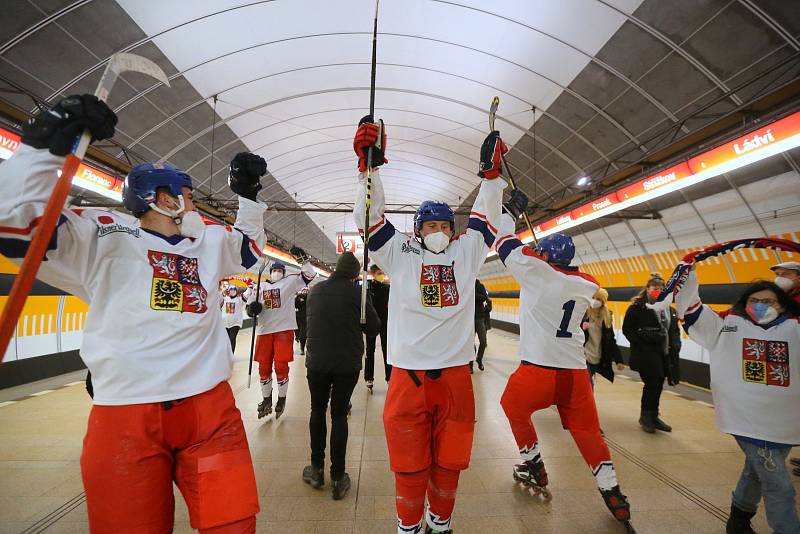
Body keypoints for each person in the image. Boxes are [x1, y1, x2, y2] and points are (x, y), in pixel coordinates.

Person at [0, 95, 268, 532]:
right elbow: (13, 223)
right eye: (187, 193)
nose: (193, 202)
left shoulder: (208, 241)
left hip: (209, 412)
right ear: (161, 197)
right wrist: (44, 145)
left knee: (233, 523)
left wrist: (249, 197)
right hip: (126, 416)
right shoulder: (101, 233)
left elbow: (249, 248)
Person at [353, 116, 506, 534]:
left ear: (452, 231)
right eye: (430, 226)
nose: (438, 232)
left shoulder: (467, 252)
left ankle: (441, 522)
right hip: (409, 378)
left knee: (450, 459)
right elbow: (369, 221)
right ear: (417, 230)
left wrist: (491, 179)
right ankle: (408, 525)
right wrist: (370, 169)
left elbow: (484, 216)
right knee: (408, 462)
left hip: (456, 377)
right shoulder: (401, 254)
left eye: (444, 226)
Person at [495, 195, 634, 529]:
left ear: (546, 258)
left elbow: (502, 241)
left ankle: (534, 465)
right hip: (574, 374)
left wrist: (509, 212)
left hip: (536, 371)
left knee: (512, 408)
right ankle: (612, 492)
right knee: (588, 432)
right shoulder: (587, 284)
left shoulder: (538, 273)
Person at [675, 271, 800, 534]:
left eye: (770, 301)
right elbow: (693, 310)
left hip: (785, 422)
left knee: (756, 471)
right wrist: (687, 274)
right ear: (744, 303)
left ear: (783, 304)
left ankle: (738, 519)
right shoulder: (728, 324)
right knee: (779, 485)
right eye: (755, 299)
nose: (761, 305)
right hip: (747, 420)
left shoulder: (795, 326)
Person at [302, 252, 380, 499]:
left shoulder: (315, 291)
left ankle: (316, 469)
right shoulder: (358, 293)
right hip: (346, 365)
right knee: (338, 415)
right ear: (355, 274)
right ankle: (337, 477)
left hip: (316, 363)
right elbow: (374, 327)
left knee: (317, 410)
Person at [246, 256, 316, 419]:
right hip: (264, 331)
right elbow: (250, 304)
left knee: (280, 365)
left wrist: (303, 260)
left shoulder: (289, 283)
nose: (276, 273)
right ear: (270, 273)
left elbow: (309, 274)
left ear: (283, 273)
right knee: (263, 367)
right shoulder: (260, 286)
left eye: (279, 271)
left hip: (283, 330)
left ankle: (282, 399)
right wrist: (252, 309)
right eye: (274, 271)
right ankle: (266, 399)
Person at [622, 273, 681, 433]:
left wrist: (676, 343)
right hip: (646, 354)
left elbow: (674, 330)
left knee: (659, 385)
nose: (659, 291)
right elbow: (627, 329)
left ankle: (653, 416)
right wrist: (641, 340)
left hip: (665, 354)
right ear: (647, 289)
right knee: (652, 384)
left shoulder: (669, 309)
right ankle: (646, 416)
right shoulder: (637, 308)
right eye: (655, 288)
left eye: (662, 289)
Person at [581, 288, 625, 387]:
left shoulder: (606, 318)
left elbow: (611, 340)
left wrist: (619, 360)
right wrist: (582, 327)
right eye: (593, 298)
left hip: (597, 357)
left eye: (598, 299)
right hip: (583, 356)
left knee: (586, 384)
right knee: (588, 385)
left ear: (603, 302)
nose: (595, 301)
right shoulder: (583, 313)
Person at [365, 263, 391, 390]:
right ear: (373, 274)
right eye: (379, 273)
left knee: (387, 350)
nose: (382, 275)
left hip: (385, 322)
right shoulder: (368, 290)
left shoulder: (388, 289)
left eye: (383, 273)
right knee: (370, 351)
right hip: (372, 323)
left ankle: (389, 377)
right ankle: (369, 378)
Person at [221, 283, 250, 352]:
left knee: (232, 338)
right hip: (225, 323)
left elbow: (248, 292)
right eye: (231, 289)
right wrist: (223, 291)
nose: (232, 290)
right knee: (226, 340)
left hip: (235, 323)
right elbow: (217, 295)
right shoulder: (224, 299)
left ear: (236, 290)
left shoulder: (240, 299)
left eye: (234, 289)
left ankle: (231, 355)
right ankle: (225, 354)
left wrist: (249, 284)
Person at [470, 278, 491, 373]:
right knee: (470, 343)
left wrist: (472, 295)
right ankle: (470, 363)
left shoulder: (480, 286)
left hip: (480, 318)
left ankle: (479, 358)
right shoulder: (466, 285)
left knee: (483, 341)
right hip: (469, 319)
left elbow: (484, 298)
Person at [295, 287, 309, 355]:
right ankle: (302, 349)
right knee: (302, 335)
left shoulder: (310, 296)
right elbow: (295, 304)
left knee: (309, 336)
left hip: (309, 318)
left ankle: (306, 349)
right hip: (301, 318)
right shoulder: (298, 297)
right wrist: (299, 297)